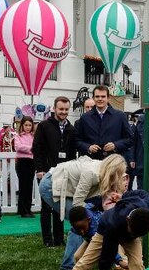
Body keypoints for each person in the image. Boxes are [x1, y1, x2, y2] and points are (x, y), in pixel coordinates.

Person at [32, 96, 76, 248]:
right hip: (46, 172)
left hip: (64, 172)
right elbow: (37, 148)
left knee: (61, 204)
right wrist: (40, 169)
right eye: (61, 109)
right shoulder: (44, 126)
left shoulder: (71, 128)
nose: (63, 112)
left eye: (66, 109)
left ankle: (59, 238)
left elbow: (72, 151)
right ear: (54, 109)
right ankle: (47, 239)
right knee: (46, 206)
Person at [76, 85, 133, 162]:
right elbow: (77, 140)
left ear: (108, 98)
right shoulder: (85, 117)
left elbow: (130, 139)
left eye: (103, 96)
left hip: (113, 162)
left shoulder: (120, 116)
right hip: (91, 162)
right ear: (93, 98)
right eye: (97, 96)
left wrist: (115, 145)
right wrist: (88, 147)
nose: (100, 99)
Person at [14, 116, 36, 218]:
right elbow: (18, 147)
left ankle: (28, 209)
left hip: (31, 162)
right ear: (22, 125)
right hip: (22, 162)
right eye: (26, 125)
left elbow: (37, 147)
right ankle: (23, 211)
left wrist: (30, 149)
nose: (28, 127)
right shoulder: (18, 136)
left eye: (30, 125)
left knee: (29, 186)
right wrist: (31, 148)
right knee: (23, 186)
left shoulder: (33, 136)